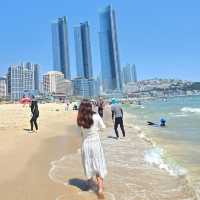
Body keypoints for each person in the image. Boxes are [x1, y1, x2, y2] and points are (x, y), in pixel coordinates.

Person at [77, 100, 107, 198]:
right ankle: (100, 189)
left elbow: (80, 134)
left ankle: (90, 186)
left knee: (88, 165)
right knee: (98, 165)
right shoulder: (97, 116)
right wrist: (96, 130)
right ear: (90, 107)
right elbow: (103, 128)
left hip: (86, 145)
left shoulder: (80, 119)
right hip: (95, 144)